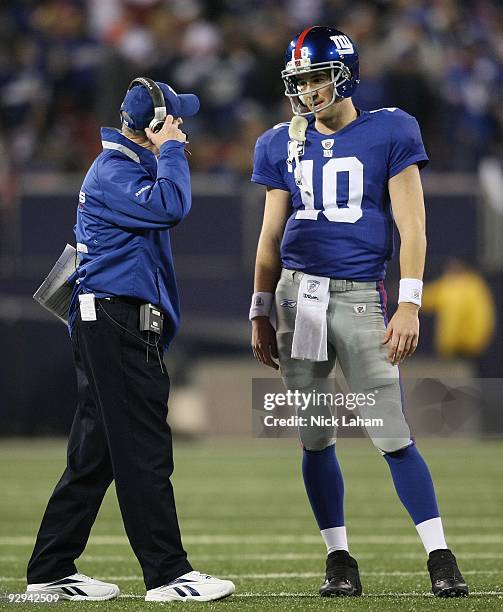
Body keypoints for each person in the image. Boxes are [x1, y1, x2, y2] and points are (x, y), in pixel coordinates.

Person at [250, 26, 468, 598]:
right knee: (314, 435)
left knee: (391, 432)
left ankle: (439, 555)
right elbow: (271, 235)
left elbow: (412, 223)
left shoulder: (391, 128)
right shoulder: (279, 141)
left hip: (358, 295)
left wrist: (411, 301)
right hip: (299, 298)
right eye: (300, 80)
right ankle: (338, 558)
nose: (307, 90)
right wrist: (260, 308)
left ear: (342, 74)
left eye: (316, 77)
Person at [26, 78, 235, 603]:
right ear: (153, 125)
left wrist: (163, 151)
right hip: (116, 321)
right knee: (143, 449)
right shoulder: (115, 170)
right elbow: (171, 205)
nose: (182, 128)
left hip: (109, 321)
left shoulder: (120, 168)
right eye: (174, 120)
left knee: (94, 455)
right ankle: (167, 573)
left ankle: (50, 569)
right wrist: (171, 153)